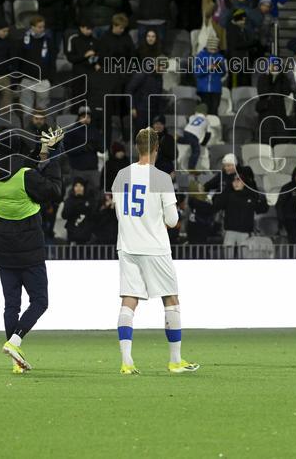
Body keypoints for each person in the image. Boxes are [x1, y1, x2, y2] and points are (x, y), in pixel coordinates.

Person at [113, 128, 199, 375]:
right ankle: (175, 360)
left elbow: (119, 213)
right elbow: (172, 220)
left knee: (129, 300)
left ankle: (126, 361)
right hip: (154, 246)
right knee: (171, 299)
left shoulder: (121, 175)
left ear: (136, 147)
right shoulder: (161, 178)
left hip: (127, 245)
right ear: (156, 148)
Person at [0, 128, 64, 374]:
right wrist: (51, 158)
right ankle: (15, 341)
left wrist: (43, 151)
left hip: (4, 250)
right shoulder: (26, 177)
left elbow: (20, 165)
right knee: (40, 301)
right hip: (30, 249)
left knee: (11, 305)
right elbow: (53, 191)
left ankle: (15, 361)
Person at [211, 174, 268, 258]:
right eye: (234, 181)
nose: (236, 183)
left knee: (244, 258)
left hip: (245, 233)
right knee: (228, 258)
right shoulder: (228, 194)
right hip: (230, 232)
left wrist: (263, 199)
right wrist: (223, 190)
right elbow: (216, 205)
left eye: (239, 180)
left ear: (244, 183)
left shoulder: (251, 196)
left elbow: (261, 209)